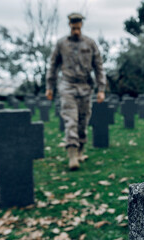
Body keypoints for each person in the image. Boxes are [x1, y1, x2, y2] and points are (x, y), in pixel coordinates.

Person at [46, 13, 106, 170]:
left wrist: (101, 89)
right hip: (67, 85)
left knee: (83, 120)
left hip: (85, 86)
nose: (76, 31)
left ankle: (80, 150)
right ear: (69, 26)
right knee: (71, 119)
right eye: (73, 28)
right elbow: (53, 66)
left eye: (78, 28)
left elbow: (99, 66)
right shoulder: (61, 44)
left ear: (81, 26)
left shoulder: (90, 43)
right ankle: (72, 154)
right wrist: (49, 86)